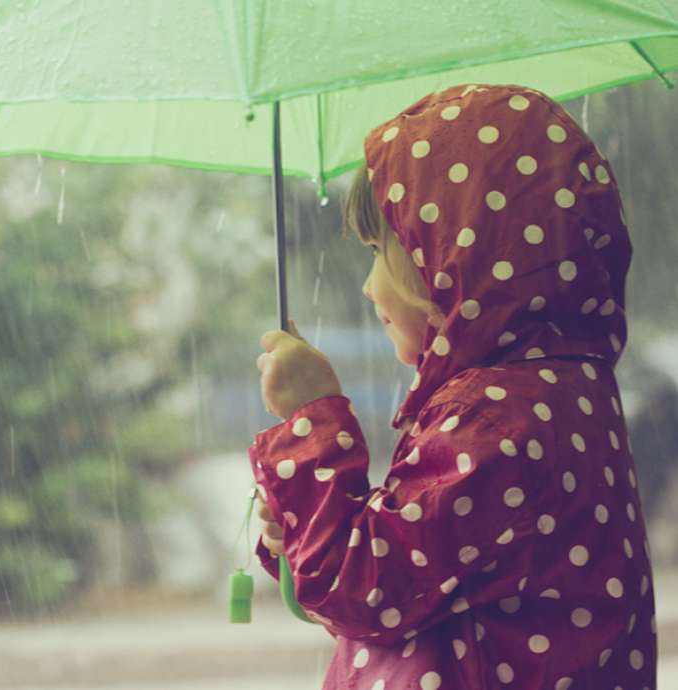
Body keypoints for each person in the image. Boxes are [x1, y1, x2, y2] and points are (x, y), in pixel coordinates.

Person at [250, 83, 656, 690]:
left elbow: (366, 592)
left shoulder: (496, 419)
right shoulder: (562, 389)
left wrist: (311, 425)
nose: (366, 287)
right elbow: (418, 589)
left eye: (376, 252)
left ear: (444, 261)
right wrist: (307, 523)